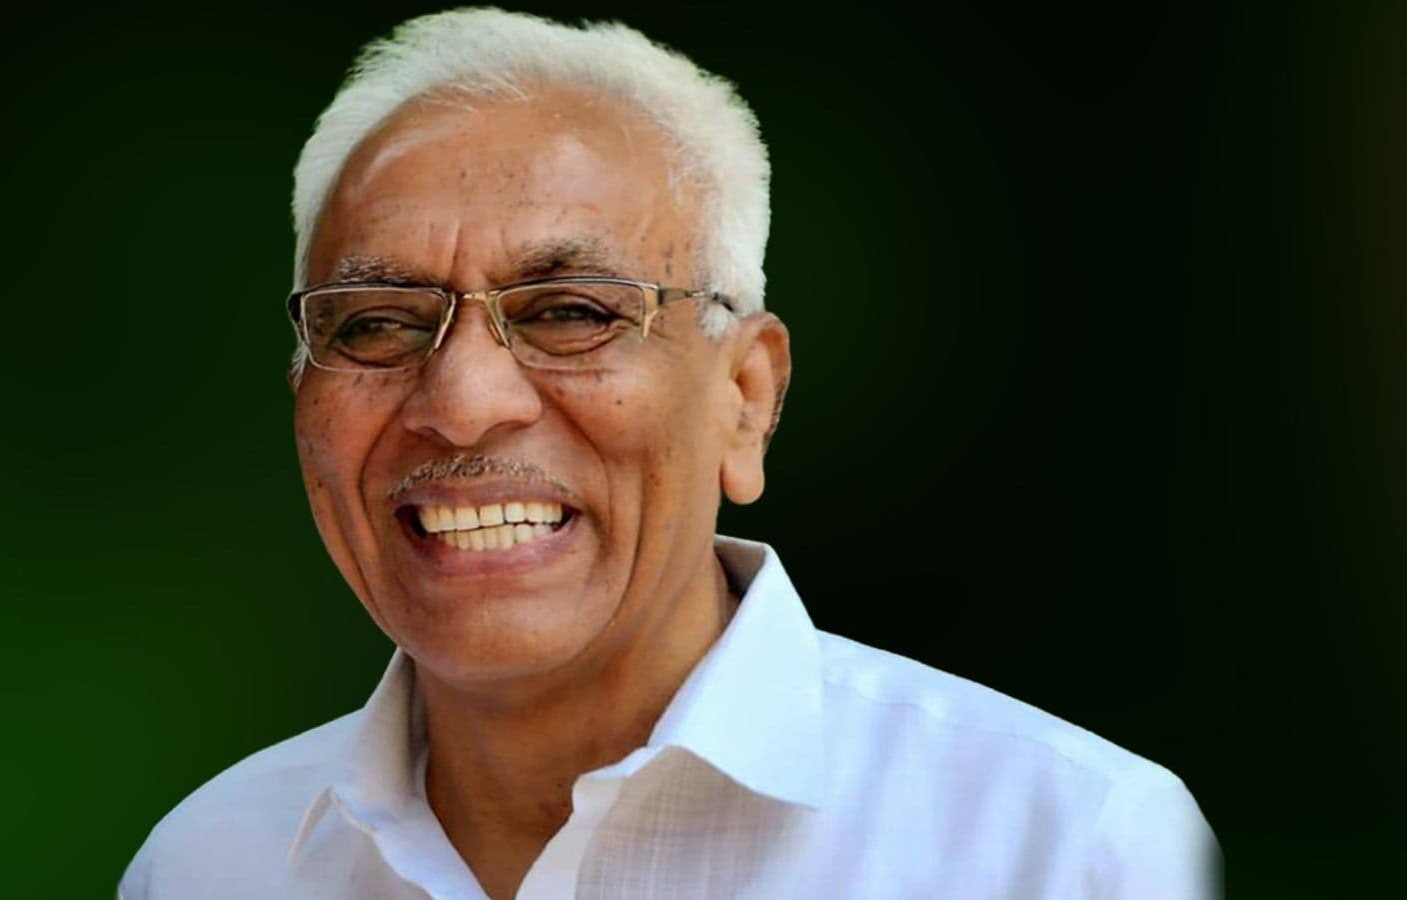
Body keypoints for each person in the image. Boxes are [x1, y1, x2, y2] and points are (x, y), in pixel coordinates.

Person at [120, 8, 1218, 899]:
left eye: (571, 312)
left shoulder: (1069, 854)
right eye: (376, 324)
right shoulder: (212, 865)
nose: (461, 405)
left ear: (746, 399)